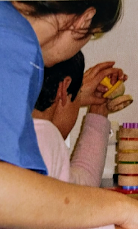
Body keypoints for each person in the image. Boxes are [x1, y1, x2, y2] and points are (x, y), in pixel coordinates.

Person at [0, 1, 138, 229]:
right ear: (85, 20)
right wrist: (124, 209)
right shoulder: (11, 39)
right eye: (92, 34)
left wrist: (81, 97)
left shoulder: (1, 24)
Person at [33, 50, 113, 187]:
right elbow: (79, 192)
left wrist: (97, 108)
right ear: (64, 87)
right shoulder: (45, 137)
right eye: (79, 92)